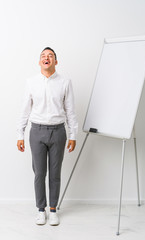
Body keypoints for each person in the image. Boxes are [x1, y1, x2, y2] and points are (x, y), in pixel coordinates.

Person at [16, 47, 78, 226]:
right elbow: (24, 109)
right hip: (36, 131)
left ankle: (53, 210)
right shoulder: (31, 82)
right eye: (43, 56)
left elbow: (71, 110)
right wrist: (20, 134)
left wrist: (73, 134)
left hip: (58, 131)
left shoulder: (65, 82)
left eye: (50, 56)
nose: (46, 58)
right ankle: (41, 210)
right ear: (39, 62)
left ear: (56, 62)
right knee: (39, 173)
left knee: (55, 174)